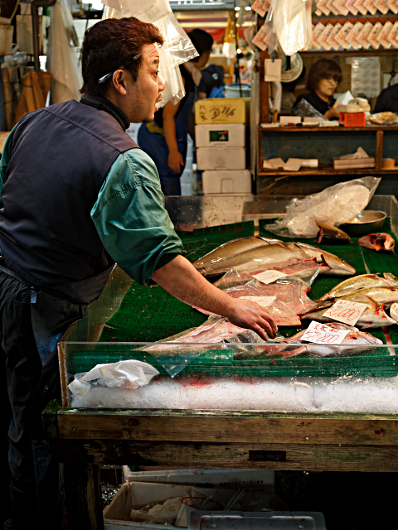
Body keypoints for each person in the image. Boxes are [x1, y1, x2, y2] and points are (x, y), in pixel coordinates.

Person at [0, 17, 277, 530]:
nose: (163, 84)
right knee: (41, 427)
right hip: (41, 308)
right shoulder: (123, 157)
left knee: (17, 417)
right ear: (121, 82)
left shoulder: (33, 122)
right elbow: (161, 262)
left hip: (8, 285)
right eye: (154, 70)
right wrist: (231, 305)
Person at [138, 28, 214, 196]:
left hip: (169, 137)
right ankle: (171, 221)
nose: (209, 57)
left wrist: (199, 140)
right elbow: (168, 116)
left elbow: (185, 115)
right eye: (209, 52)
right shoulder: (180, 76)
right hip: (159, 140)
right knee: (168, 187)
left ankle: (173, 220)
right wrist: (173, 151)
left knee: (169, 184)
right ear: (200, 52)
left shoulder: (188, 72)